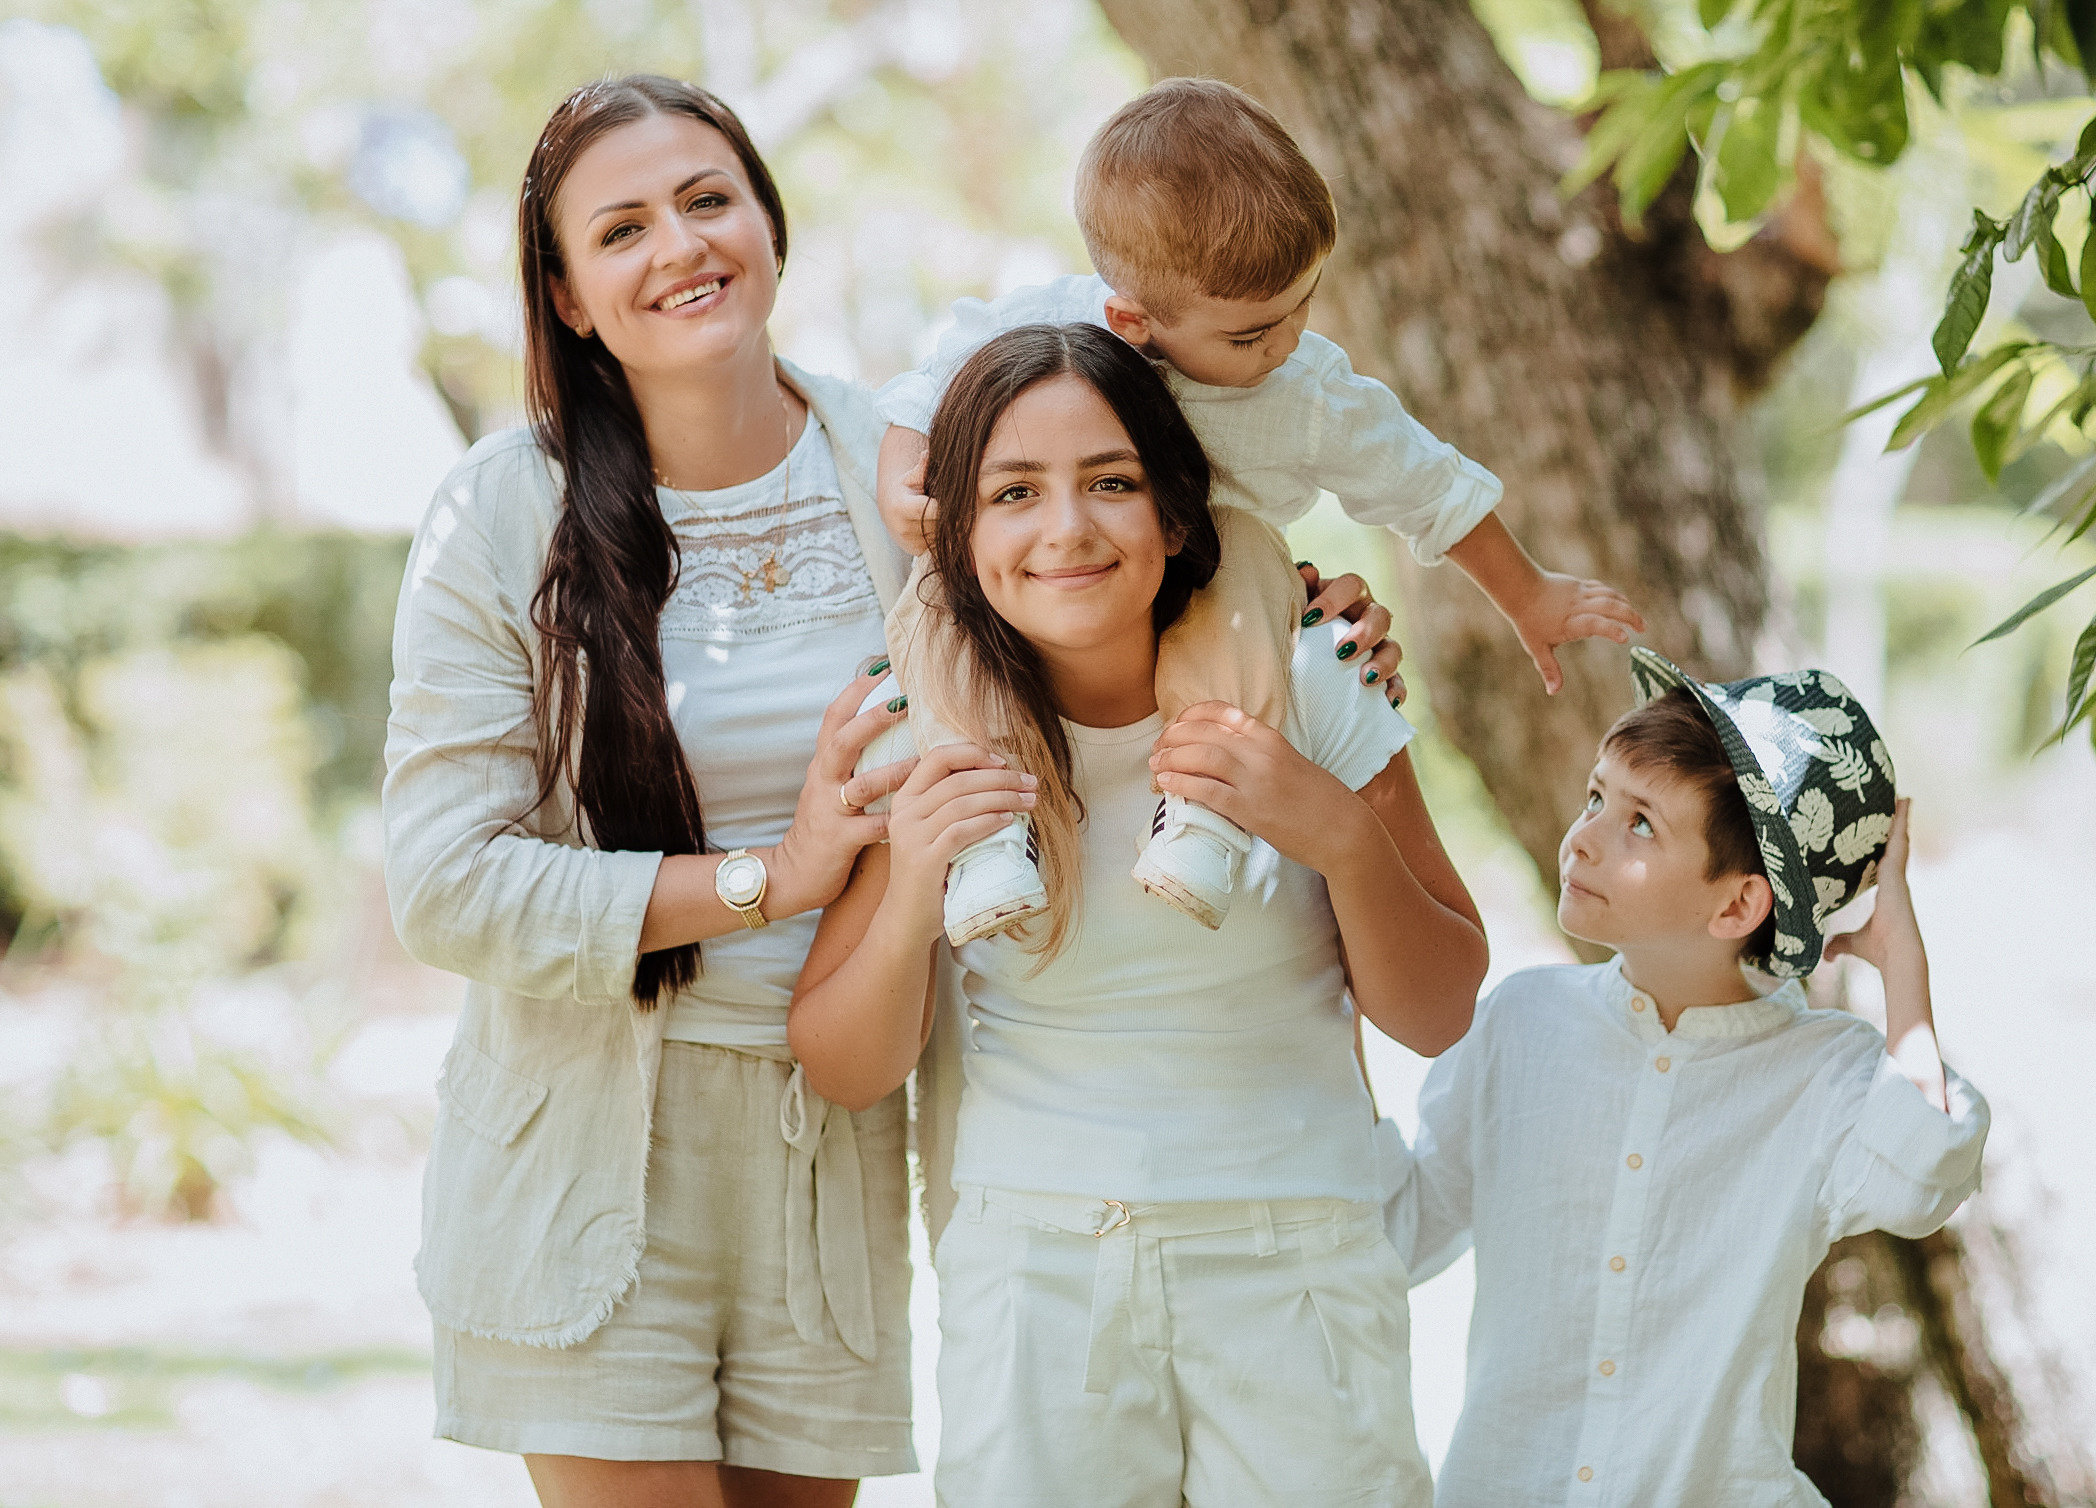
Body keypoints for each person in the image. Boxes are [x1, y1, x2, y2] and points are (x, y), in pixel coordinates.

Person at [791, 323, 1489, 1506]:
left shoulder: (1309, 675)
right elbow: (844, 1064)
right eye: (1014, 492)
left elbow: (1440, 1008)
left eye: (1111, 482)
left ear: (1176, 512)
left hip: (1297, 1258)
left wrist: (1331, 829)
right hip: (1039, 1274)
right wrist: (912, 887)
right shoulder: (926, 724)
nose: (1066, 528)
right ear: (958, 531)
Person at [383, 75, 928, 1508]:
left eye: (705, 201)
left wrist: (1307, 621)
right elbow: (444, 882)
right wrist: (775, 877)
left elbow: (1110, 577)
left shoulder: (907, 471)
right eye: (618, 229)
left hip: (832, 1141)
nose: (678, 247)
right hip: (586, 1147)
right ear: (565, 296)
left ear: (767, 222)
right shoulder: (502, 511)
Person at [867, 77, 1645, 945]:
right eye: (1247, 335)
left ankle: (1201, 812)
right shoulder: (1062, 327)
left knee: (1241, 551)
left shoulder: (1306, 389)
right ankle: (987, 828)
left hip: (1214, 575)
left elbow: (1427, 481)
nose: (1283, 344)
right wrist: (904, 469)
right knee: (936, 597)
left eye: (1302, 304)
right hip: (1079, 599)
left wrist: (1528, 593)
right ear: (1132, 320)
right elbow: (939, 371)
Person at [1377, 649, 1991, 1507]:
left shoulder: (1823, 1077)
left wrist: (1901, 970)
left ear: (1738, 906)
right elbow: (1394, 1231)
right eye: (1597, 797)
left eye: (1639, 824)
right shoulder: (1519, 1025)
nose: (1583, 835)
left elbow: (1927, 1170)